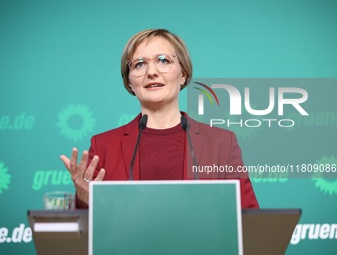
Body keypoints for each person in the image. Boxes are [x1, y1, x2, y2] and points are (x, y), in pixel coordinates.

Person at [61, 28, 259, 209]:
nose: (152, 72)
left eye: (164, 60)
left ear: (183, 74)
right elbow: (88, 234)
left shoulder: (221, 143)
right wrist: (84, 199)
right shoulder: (103, 145)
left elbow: (250, 223)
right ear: (129, 82)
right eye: (139, 64)